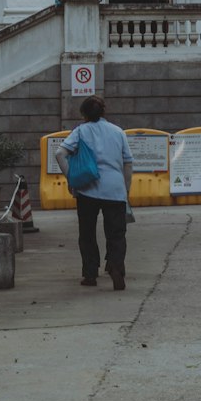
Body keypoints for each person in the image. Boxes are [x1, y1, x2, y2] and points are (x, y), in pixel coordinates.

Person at [56, 96, 134, 290]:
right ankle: (116, 266)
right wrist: (125, 189)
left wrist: (71, 178)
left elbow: (59, 154)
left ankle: (90, 274)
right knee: (116, 233)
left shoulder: (80, 131)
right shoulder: (118, 132)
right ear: (104, 111)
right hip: (115, 189)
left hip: (87, 190)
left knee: (87, 233)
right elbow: (128, 162)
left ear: (83, 114)